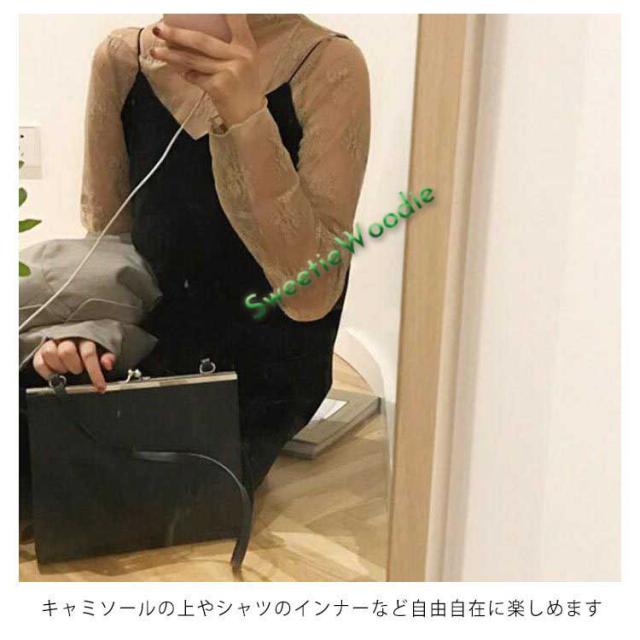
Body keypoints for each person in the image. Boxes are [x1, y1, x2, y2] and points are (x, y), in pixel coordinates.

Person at [22, 14, 371, 499]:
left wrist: (247, 116)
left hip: (257, 373)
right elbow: (108, 244)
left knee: (101, 498)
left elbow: (311, 295)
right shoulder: (123, 59)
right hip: (139, 343)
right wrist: (85, 333)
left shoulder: (327, 62)